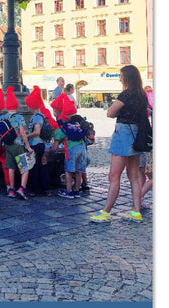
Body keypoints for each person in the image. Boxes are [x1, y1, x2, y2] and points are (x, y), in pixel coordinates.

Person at [90, 65, 149, 223]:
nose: (119, 78)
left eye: (121, 75)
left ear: (127, 78)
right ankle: (136, 212)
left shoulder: (126, 94)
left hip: (123, 134)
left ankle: (106, 212)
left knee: (114, 175)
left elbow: (110, 113)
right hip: (136, 135)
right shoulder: (141, 94)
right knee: (134, 176)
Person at [53, 96, 88, 200]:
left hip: (72, 151)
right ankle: (76, 191)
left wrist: (51, 150)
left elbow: (55, 147)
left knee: (68, 171)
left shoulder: (62, 128)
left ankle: (68, 192)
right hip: (82, 148)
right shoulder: (79, 124)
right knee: (78, 171)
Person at [3, 86, 33, 200]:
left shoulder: (3, 117)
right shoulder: (19, 117)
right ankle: (22, 188)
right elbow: (23, 133)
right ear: (16, 105)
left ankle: (11, 189)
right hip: (18, 145)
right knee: (24, 167)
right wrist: (28, 147)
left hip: (7, 145)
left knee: (11, 167)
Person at [25, 86, 52, 196]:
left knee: (34, 168)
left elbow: (37, 132)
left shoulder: (36, 117)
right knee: (42, 166)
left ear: (32, 106)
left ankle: (33, 190)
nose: (27, 107)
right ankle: (45, 188)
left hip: (36, 145)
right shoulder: (41, 115)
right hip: (41, 145)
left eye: (28, 105)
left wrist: (27, 137)